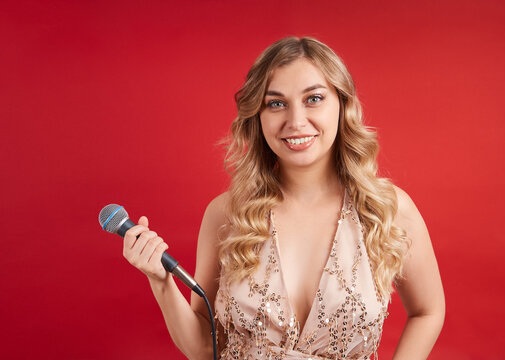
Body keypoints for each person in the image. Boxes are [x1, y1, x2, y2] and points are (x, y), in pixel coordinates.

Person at [122, 36, 445, 360]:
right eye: (276, 103)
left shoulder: (387, 210)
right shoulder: (227, 215)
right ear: (258, 116)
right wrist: (161, 281)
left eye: (314, 98)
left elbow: (428, 310)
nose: (296, 121)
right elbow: (206, 350)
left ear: (342, 104)